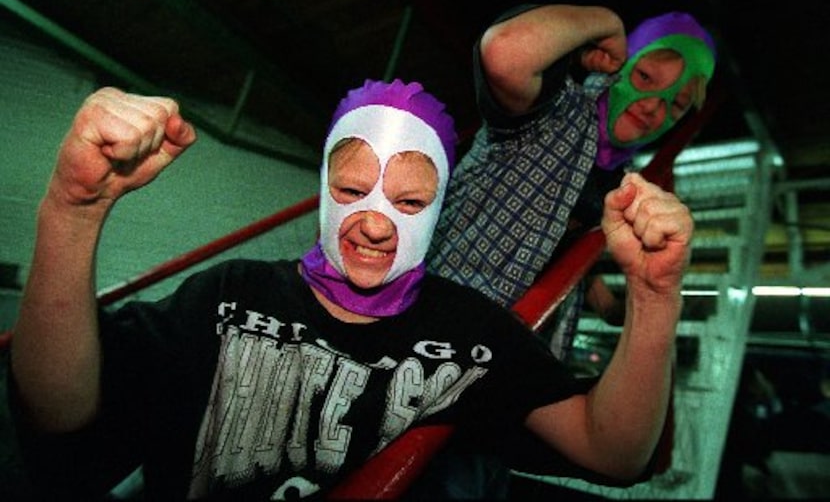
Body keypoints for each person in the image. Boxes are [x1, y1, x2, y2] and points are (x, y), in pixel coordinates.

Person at [8, 79, 692, 500]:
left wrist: (656, 296)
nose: (373, 219)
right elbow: (59, 415)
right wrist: (71, 212)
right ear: (323, 193)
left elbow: (614, 450)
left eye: (410, 199)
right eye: (351, 189)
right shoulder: (228, 298)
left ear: (441, 206)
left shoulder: (469, 335)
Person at [427, 4, 716, 361]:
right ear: (620, 65)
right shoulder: (554, 110)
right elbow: (503, 53)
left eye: (676, 106)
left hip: (497, 352)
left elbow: (561, 247)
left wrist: (615, 309)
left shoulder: (622, 181)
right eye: (644, 77)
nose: (654, 107)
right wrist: (608, 22)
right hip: (433, 321)